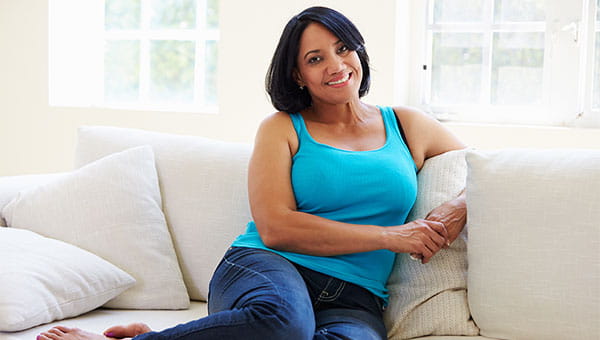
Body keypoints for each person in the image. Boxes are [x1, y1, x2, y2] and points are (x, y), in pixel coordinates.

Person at [38, 6, 466, 340]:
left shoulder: (406, 124)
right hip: (268, 268)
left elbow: (489, 176)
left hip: (355, 298)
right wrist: (394, 236)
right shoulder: (283, 128)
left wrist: (455, 210)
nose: (336, 65)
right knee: (283, 325)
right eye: (316, 58)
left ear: (358, 51)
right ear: (298, 74)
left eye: (343, 48)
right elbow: (277, 227)